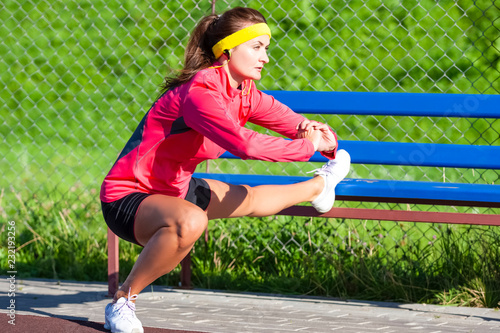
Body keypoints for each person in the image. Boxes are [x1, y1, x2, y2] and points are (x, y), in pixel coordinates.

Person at [100, 7, 350, 333]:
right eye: (256, 47)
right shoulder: (200, 94)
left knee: (250, 199)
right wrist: (307, 147)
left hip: (172, 189)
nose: (266, 57)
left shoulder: (243, 91)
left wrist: (316, 134)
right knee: (192, 220)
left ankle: (321, 185)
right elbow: (245, 145)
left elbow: (284, 118)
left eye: (266, 48)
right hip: (128, 196)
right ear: (229, 49)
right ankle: (123, 300)